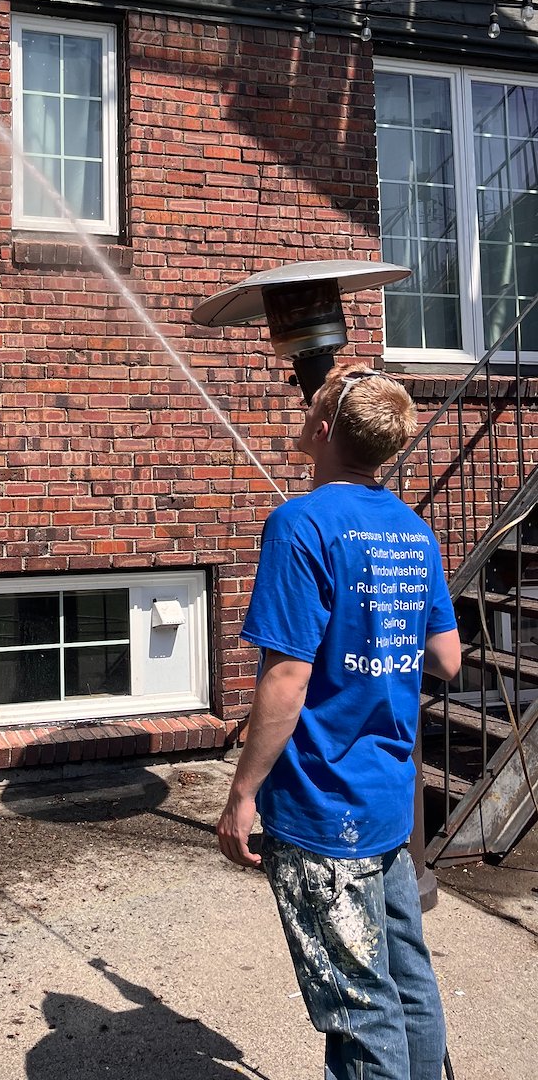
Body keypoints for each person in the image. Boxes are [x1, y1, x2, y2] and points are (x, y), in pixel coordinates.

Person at [217, 361, 461, 1080]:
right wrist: (379, 620)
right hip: (385, 800)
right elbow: (447, 658)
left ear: (322, 428)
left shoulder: (300, 524)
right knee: (406, 980)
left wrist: (241, 796)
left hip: (324, 808)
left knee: (358, 1007)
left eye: (311, 408)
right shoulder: (413, 531)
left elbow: (286, 678)